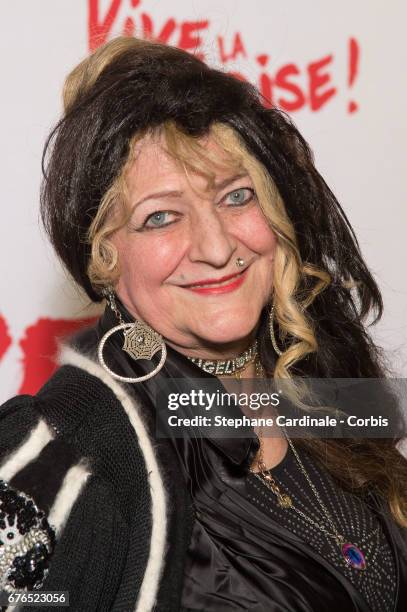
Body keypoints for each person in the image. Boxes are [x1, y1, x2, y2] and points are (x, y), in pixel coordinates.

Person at [0, 35, 406, 612]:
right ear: (104, 258)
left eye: (237, 197)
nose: (217, 247)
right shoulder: (75, 449)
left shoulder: (320, 375)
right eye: (160, 217)